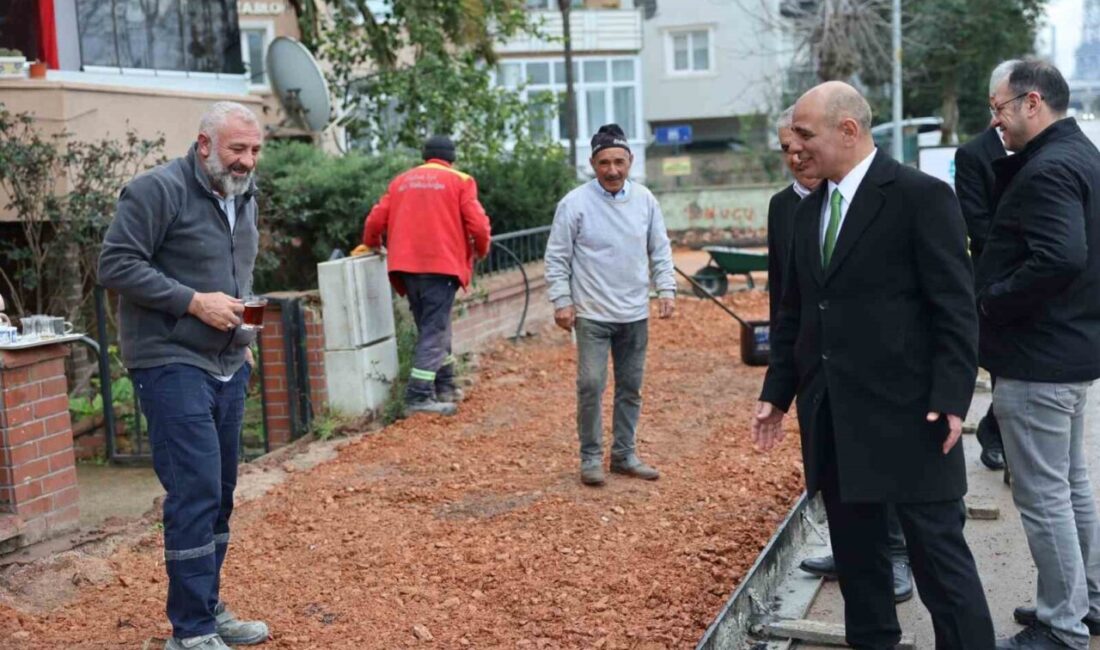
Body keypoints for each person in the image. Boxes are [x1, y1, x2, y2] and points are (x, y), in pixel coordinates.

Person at [753, 82, 994, 649]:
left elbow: (955, 311)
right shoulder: (809, 209)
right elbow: (796, 311)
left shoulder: (920, 197)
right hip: (836, 420)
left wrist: (951, 400)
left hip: (914, 420)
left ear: (848, 130)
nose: (798, 147)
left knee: (941, 568)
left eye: (807, 135)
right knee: (860, 573)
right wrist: (777, 392)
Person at [99, 102, 270, 650]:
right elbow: (117, 265)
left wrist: (244, 336)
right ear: (203, 145)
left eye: (254, 150)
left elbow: (237, 273)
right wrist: (194, 303)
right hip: (170, 360)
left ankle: (209, 607)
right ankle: (190, 631)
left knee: (219, 494)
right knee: (194, 491)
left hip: (226, 362)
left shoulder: (243, 198)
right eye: (236, 149)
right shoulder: (156, 191)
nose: (246, 161)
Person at [768, 106, 913, 602]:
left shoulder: (882, 199)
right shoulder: (787, 208)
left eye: (802, 143)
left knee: (877, 473)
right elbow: (783, 295)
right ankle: (848, 549)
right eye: (787, 148)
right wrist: (782, 375)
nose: (796, 156)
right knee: (832, 469)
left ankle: (894, 557)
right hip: (816, 365)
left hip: (871, 371)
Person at [979, 59, 1100, 650]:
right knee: (1070, 485)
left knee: (1045, 495)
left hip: (1037, 356)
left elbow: (1060, 257)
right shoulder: (1083, 156)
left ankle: (1061, 626)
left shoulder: (1050, 168)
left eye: (998, 107)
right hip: (1071, 349)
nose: (994, 121)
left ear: (1031, 102)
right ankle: (1086, 601)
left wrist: (991, 304)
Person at [544, 123, 676, 487]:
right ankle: (589, 457)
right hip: (592, 313)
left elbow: (659, 249)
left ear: (630, 160)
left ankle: (623, 454)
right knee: (590, 384)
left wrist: (666, 289)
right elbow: (557, 257)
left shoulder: (646, 200)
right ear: (592, 163)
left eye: (619, 161)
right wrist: (561, 301)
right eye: (605, 162)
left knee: (631, 387)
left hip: (634, 312)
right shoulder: (575, 204)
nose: (613, 170)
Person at [362, 135, 492, 416]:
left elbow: (375, 220)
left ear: (425, 156)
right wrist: (481, 249)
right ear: (452, 157)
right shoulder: (460, 180)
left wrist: (373, 243)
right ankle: (418, 396)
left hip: (406, 266)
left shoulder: (402, 180)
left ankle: (445, 384)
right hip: (441, 265)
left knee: (431, 326)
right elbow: (479, 225)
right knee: (435, 329)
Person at [954, 60, 1019, 472]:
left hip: (1041, 271)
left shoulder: (1043, 148)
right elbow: (975, 221)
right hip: (998, 274)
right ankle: (1001, 440)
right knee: (1005, 365)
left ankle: (999, 432)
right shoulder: (973, 155)